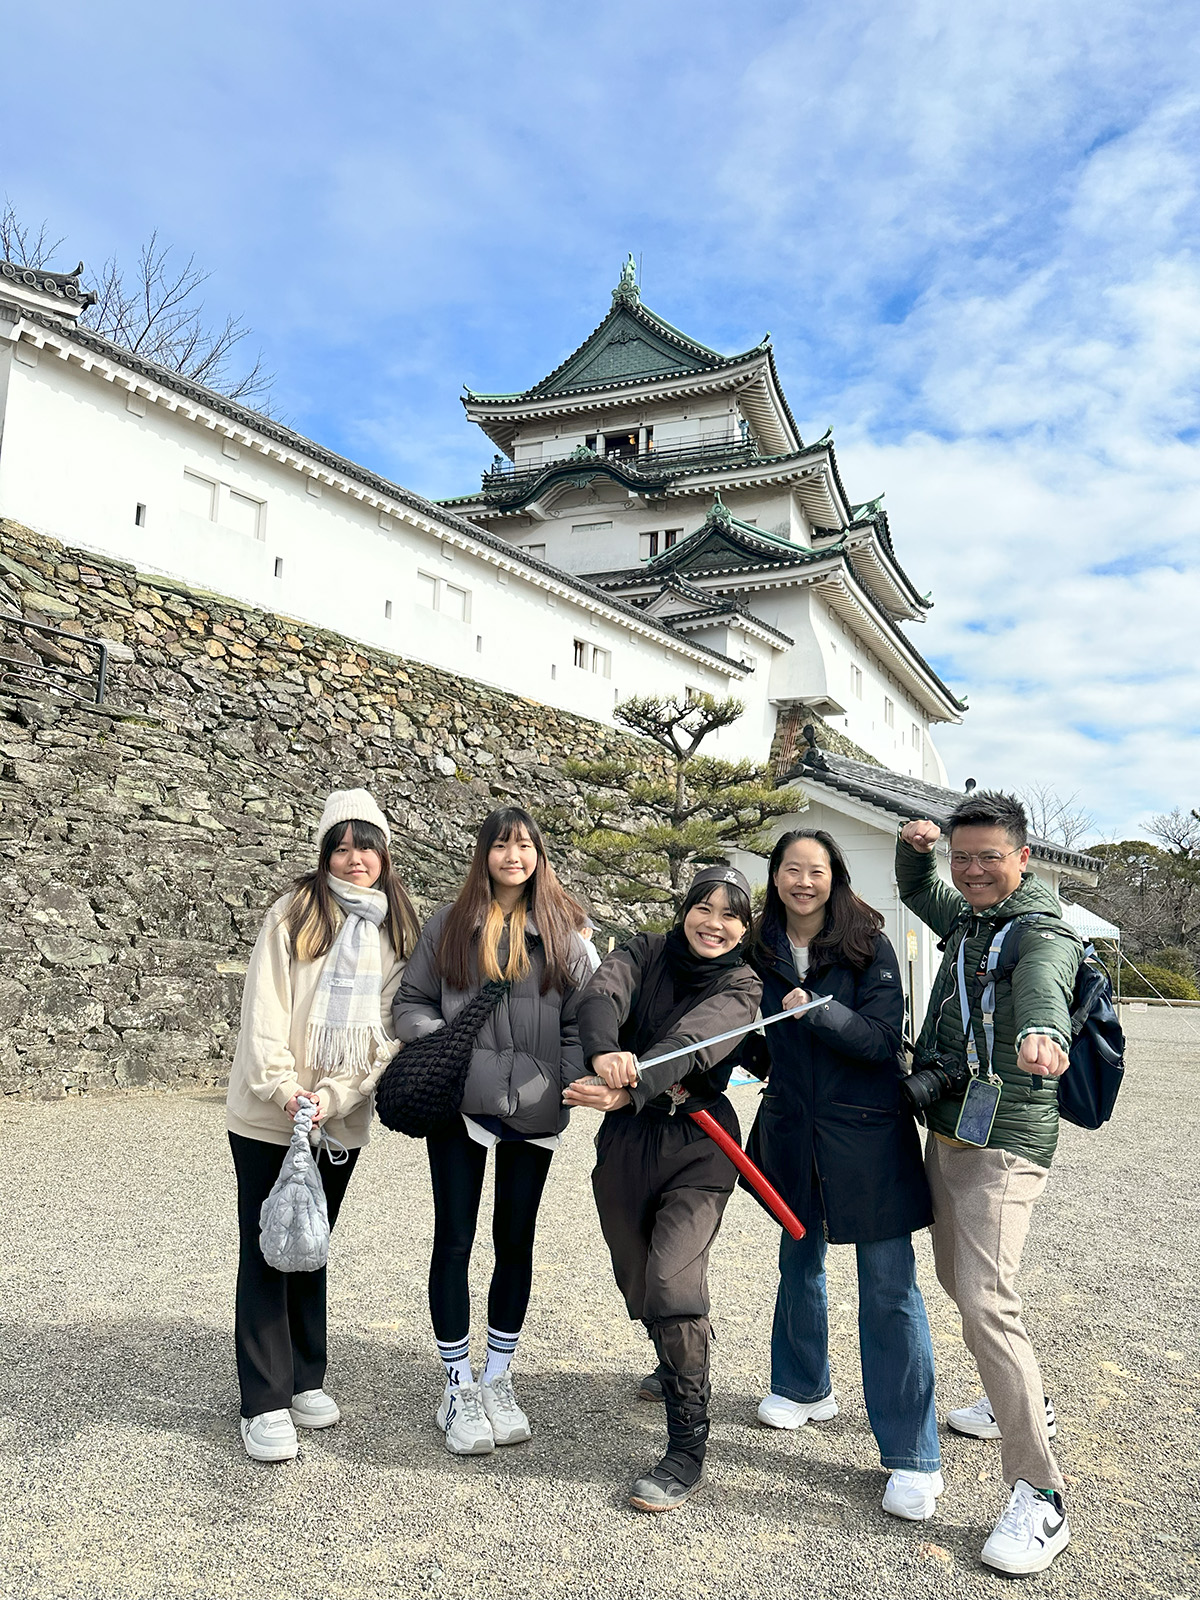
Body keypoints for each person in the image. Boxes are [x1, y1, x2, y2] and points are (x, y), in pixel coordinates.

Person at [898, 791, 1081, 1576]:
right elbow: (918, 891)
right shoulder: (972, 919)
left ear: (1024, 858)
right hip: (951, 1125)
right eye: (961, 857)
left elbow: (1045, 982)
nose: (971, 871)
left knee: (984, 1298)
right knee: (960, 1276)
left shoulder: (1037, 930)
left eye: (988, 858)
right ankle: (1020, 1400)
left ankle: (1040, 1493)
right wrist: (914, 851)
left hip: (1002, 1137)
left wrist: (1045, 1029)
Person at [740, 829, 941, 1520]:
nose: (803, 880)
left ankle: (913, 1456)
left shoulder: (868, 943)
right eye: (791, 869)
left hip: (867, 1134)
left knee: (889, 1288)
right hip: (794, 1133)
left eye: (816, 870)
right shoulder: (756, 945)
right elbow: (747, 1034)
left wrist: (816, 1010)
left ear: (835, 876)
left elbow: (882, 1041)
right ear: (774, 876)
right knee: (799, 1261)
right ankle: (802, 1386)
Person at [226, 788, 418, 1463]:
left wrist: (335, 1095)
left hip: (339, 1117)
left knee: (311, 1242)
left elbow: (392, 1029)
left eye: (366, 844)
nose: (354, 856)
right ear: (324, 852)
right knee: (267, 1247)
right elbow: (264, 1014)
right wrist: (286, 1091)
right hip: (268, 1114)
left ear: (384, 853)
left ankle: (307, 1375)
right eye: (341, 844)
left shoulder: (397, 929)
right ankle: (264, 1399)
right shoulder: (292, 915)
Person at [393, 807, 590, 1456]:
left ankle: (498, 1377)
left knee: (516, 1242)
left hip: (534, 1105)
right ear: (483, 854)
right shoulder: (449, 925)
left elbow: (585, 1017)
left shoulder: (564, 930)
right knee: (454, 1239)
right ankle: (456, 1385)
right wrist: (447, 1046)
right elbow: (410, 1005)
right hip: (459, 1103)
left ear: (539, 855)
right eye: (502, 845)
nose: (514, 856)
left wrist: (564, 1077)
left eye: (526, 845)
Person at [567, 866, 762, 1513]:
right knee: (641, 1280)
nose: (715, 923)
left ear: (745, 927)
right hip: (626, 1143)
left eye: (731, 914)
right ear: (685, 911)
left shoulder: (743, 983)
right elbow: (601, 996)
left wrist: (634, 1081)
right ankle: (678, 1351)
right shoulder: (644, 950)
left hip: (700, 1147)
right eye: (704, 908)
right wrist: (602, 1052)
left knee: (675, 1283)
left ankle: (686, 1446)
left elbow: (696, 1041)